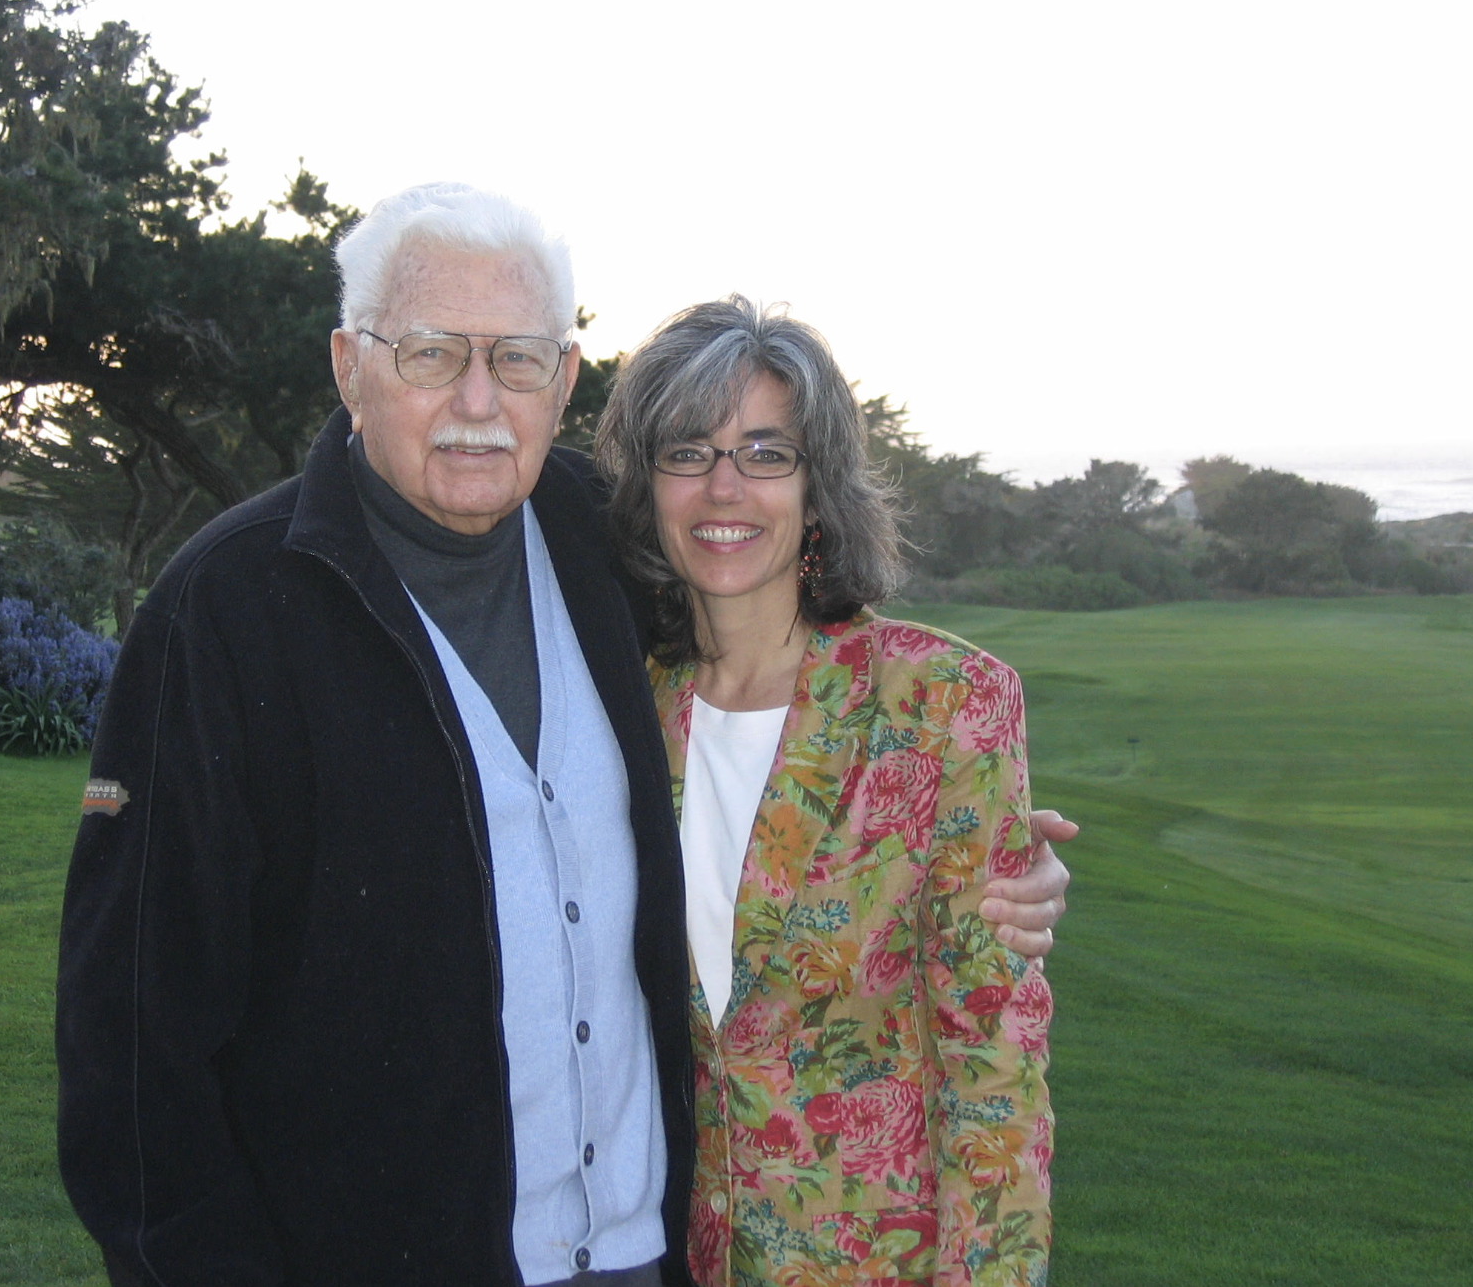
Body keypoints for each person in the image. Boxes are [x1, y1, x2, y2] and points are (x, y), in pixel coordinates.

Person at [55, 184, 1069, 1287]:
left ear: (565, 381)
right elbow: (135, 1048)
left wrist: (1004, 867)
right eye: (433, 353)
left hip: (654, 1253)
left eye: (519, 360)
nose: (478, 401)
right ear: (351, 366)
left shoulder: (607, 557)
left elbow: (785, 729)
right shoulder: (226, 613)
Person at [595, 296, 1053, 1286]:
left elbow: (995, 1067)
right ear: (648, 485)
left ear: (817, 488)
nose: (726, 489)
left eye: (766, 453)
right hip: (677, 1257)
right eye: (687, 451)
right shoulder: (619, 710)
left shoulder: (942, 704)